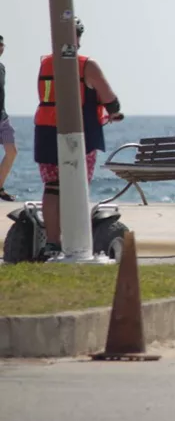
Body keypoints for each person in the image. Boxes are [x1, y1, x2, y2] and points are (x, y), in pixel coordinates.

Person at [34, 20, 123, 256]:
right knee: (76, 186)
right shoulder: (86, 65)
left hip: (45, 131)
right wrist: (114, 113)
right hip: (77, 132)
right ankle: (77, 244)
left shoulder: (45, 64)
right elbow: (109, 98)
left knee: (52, 187)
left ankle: (52, 244)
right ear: (78, 38)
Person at [0, 34, 16, 202]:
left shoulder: (2, 67)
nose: (1, 49)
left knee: (11, 151)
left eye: (2, 45)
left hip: (2, 118)